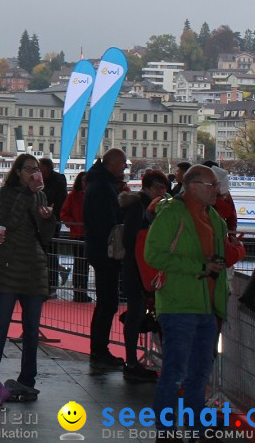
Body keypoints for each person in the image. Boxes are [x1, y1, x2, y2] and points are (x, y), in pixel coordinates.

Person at [145, 165, 233, 435]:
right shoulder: (172, 214)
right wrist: (200, 266)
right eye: (212, 185)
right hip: (179, 305)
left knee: (198, 374)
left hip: (206, 307)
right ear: (193, 186)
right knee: (175, 372)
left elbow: (221, 255)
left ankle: (195, 426)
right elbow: (153, 255)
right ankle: (166, 429)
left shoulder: (214, 218)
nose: (217, 190)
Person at [0, 153, 57, 402]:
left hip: (33, 267)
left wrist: (48, 219)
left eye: (37, 169)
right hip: (8, 266)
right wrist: (27, 195)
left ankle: (27, 379)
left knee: (32, 329)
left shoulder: (41, 195)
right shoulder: (5, 194)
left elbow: (44, 236)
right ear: (18, 172)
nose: (35, 174)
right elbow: (6, 222)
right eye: (29, 169)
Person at [119, 170, 168, 382]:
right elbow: (130, 239)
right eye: (158, 187)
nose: (162, 191)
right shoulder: (139, 207)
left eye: (164, 187)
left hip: (140, 268)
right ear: (146, 187)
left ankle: (133, 360)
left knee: (137, 313)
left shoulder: (144, 205)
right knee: (136, 313)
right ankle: (131, 361)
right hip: (137, 268)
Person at [84, 148, 127, 369]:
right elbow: (109, 222)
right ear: (113, 164)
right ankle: (100, 351)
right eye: (123, 164)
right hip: (106, 252)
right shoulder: (104, 187)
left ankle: (99, 350)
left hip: (99, 250)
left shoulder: (97, 184)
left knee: (105, 303)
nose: (125, 167)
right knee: (107, 303)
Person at [59, 172, 91, 302]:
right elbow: (64, 213)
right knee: (80, 263)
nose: (85, 183)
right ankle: (79, 291)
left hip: (86, 234)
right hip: (78, 234)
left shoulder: (89, 195)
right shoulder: (73, 196)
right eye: (84, 180)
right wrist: (73, 225)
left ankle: (81, 290)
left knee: (84, 264)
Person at [39, 157, 68, 294]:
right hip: (43, 218)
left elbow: (60, 200)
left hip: (52, 220)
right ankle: (53, 278)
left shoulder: (58, 181)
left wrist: (52, 213)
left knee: (49, 251)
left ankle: (51, 283)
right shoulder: (51, 180)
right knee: (47, 251)